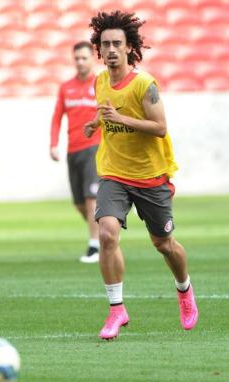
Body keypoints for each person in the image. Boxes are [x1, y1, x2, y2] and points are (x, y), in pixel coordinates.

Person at [84, 10, 198, 339]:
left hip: (150, 176)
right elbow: (107, 112)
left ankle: (184, 290)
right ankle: (116, 310)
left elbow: (160, 128)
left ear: (129, 46)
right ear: (99, 48)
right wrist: (97, 121)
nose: (110, 50)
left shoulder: (145, 85)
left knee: (164, 244)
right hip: (114, 173)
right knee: (106, 234)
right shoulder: (100, 80)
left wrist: (121, 117)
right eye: (105, 44)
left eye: (117, 43)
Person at [50, 41, 101, 263]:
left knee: (91, 200)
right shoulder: (66, 87)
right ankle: (105, 231)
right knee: (80, 204)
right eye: (77, 58)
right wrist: (53, 144)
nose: (80, 62)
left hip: (94, 148)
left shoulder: (101, 84)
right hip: (73, 150)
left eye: (84, 58)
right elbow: (57, 117)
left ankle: (95, 246)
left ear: (92, 59)